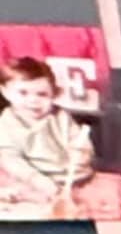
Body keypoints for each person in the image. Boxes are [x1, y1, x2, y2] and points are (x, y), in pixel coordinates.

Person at [0, 57, 97, 218]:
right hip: (32, 178)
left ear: (54, 94)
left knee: (91, 200)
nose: (33, 100)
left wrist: (82, 153)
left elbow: (79, 140)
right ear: (5, 92)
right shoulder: (6, 124)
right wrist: (37, 180)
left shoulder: (60, 116)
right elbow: (12, 160)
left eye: (42, 94)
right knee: (23, 198)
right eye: (23, 93)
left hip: (70, 175)